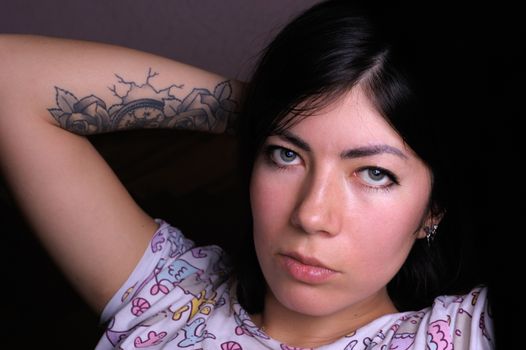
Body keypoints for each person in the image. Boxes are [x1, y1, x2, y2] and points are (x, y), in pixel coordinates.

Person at [0, 0, 495, 349]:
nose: (312, 215)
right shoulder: (169, 300)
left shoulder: (467, 335)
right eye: (285, 156)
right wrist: (268, 111)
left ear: (433, 208)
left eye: (373, 173)